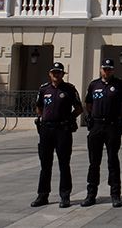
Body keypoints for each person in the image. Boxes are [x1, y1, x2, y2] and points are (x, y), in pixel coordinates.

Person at [31, 62, 83, 208]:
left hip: (62, 130)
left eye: (59, 72)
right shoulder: (43, 89)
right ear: (50, 74)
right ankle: (42, 195)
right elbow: (38, 107)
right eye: (54, 72)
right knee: (45, 164)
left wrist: (69, 118)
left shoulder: (69, 89)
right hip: (46, 130)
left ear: (63, 74)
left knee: (64, 163)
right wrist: (44, 118)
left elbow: (79, 108)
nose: (56, 75)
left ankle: (65, 196)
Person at [81, 58, 122, 208]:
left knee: (113, 161)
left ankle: (115, 194)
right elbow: (88, 104)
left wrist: (120, 120)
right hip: (96, 126)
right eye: (105, 69)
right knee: (94, 162)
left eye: (109, 69)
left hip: (112, 126)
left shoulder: (120, 85)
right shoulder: (93, 85)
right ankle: (91, 194)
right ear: (101, 69)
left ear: (113, 70)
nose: (107, 71)